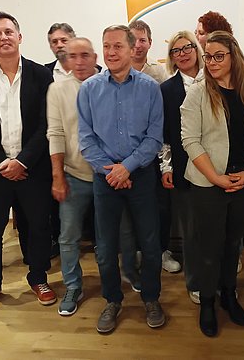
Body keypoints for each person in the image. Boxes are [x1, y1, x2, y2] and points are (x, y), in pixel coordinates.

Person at [0, 11, 56, 316]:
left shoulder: (41, 75)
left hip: (33, 169)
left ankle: (39, 278)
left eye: (8, 31)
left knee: (39, 227)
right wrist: (2, 162)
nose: (3, 37)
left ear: (19, 36)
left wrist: (23, 161)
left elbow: (46, 123)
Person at [77, 24, 165, 334]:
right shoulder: (89, 89)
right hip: (105, 179)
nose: (111, 52)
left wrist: (126, 168)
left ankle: (151, 298)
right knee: (105, 247)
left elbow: (154, 138)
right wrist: (112, 171)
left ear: (132, 49)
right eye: (106, 46)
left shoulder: (150, 88)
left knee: (150, 243)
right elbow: (86, 139)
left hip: (141, 176)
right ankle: (112, 300)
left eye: (118, 46)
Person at [180, 30, 244, 337]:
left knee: (232, 245)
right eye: (208, 57)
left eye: (218, 56)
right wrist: (215, 178)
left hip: (241, 183)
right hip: (208, 184)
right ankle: (208, 303)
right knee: (209, 249)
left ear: (233, 57)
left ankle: (229, 295)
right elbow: (190, 140)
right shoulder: (198, 93)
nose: (211, 62)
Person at [122, 20, 180, 280]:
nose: (137, 45)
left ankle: (162, 250)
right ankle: (136, 252)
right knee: (131, 206)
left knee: (161, 205)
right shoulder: (117, 72)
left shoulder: (160, 73)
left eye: (142, 40)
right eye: (132, 39)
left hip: (157, 150)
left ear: (149, 43)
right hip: (126, 152)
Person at [46, 37, 99, 316]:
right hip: (74, 175)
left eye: (84, 55)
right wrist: (58, 176)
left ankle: (115, 283)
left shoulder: (108, 84)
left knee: (112, 236)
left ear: (95, 57)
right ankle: (73, 286)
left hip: (107, 175)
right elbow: (55, 133)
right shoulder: (58, 89)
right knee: (68, 237)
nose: (78, 62)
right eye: (72, 56)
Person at [159, 30, 204, 304]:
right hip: (183, 167)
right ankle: (196, 282)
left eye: (187, 47)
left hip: (217, 167)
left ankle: (221, 279)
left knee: (218, 228)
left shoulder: (216, 80)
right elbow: (164, 134)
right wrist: (166, 167)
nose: (183, 54)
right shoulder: (166, 90)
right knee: (191, 230)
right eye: (176, 51)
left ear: (197, 49)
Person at [44, 22, 77, 258]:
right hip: (54, 146)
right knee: (57, 199)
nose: (59, 45)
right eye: (54, 41)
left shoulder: (93, 71)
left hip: (83, 150)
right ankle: (57, 241)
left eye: (63, 40)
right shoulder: (43, 73)